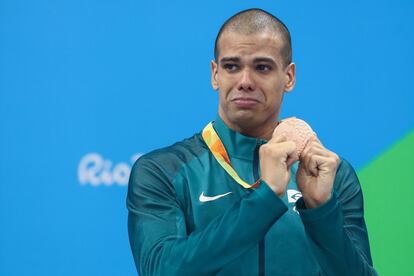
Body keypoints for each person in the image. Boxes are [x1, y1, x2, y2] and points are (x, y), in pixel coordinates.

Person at [127, 8, 377, 276]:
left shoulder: (331, 176)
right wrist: (265, 196)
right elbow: (160, 270)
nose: (245, 81)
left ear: (289, 77)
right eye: (232, 66)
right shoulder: (162, 170)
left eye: (262, 67)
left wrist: (321, 211)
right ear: (215, 74)